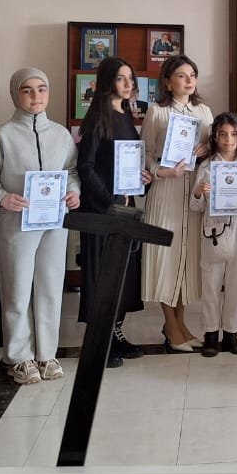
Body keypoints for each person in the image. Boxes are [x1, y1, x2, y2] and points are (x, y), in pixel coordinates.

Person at [0, 68, 82, 384]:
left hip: (55, 221)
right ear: (15, 94)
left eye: (41, 89)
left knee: (50, 286)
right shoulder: (0, 136)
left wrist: (74, 192)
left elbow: (72, 171)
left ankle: (46, 354)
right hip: (16, 221)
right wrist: (3, 198)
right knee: (16, 288)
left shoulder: (61, 135)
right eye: (27, 90)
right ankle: (18, 357)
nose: (35, 96)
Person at [76, 57, 150, 368]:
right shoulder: (98, 117)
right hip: (102, 210)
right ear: (108, 82)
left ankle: (115, 332)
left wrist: (141, 179)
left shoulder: (125, 115)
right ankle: (99, 342)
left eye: (130, 77)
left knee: (122, 276)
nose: (128, 83)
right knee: (102, 278)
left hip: (124, 207)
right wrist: (109, 200)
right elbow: (86, 166)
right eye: (121, 78)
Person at [142, 55, 214, 351]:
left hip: (194, 190)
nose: (189, 80)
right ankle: (171, 326)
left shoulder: (204, 111)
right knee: (166, 257)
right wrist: (162, 172)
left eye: (192, 75)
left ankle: (180, 324)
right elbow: (145, 153)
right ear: (168, 81)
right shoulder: (156, 111)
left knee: (187, 258)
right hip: (166, 191)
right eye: (182, 75)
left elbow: (216, 147)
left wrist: (207, 147)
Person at [189, 112, 237, 356]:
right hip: (213, 230)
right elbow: (195, 205)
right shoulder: (207, 166)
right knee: (211, 285)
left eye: (233, 134)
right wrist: (199, 191)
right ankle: (210, 335)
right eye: (222, 134)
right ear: (215, 137)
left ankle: (231, 334)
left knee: (235, 285)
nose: (228, 139)